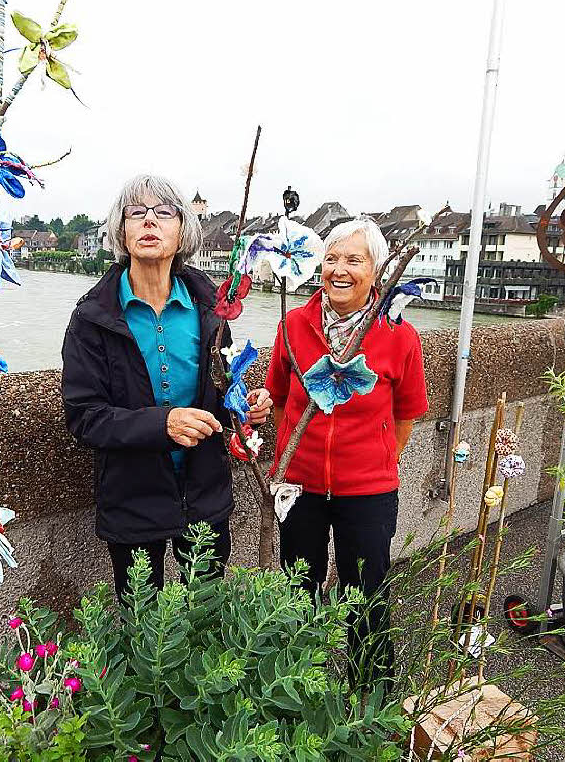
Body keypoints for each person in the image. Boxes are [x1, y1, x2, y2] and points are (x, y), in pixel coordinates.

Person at [62, 174, 272, 600]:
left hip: (205, 490)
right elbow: (85, 417)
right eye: (135, 213)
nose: (149, 222)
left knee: (207, 623)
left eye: (163, 213)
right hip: (133, 496)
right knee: (144, 631)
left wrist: (244, 407)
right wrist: (164, 425)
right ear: (122, 231)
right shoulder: (93, 317)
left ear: (183, 230)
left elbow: (224, 387)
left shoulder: (210, 307)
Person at [264, 217, 428, 680]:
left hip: (368, 490)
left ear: (376, 270)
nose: (340, 269)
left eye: (354, 260)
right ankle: (298, 686)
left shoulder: (399, 335)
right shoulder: (293, 324)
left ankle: (369, 697)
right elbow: (279, 397)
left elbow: (407, 414)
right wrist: (293, 457)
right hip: (299, 487)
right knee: (299, 593)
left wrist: (376, 460)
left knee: (367, 595)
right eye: (331, 258)